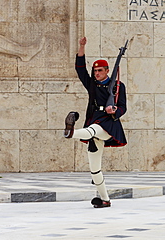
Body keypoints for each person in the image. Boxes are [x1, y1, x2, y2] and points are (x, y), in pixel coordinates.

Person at [64, 37, 127, 208]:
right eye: (95, 70)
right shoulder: (92, 84)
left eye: (100, 70)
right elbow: (80, 69)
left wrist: (114, 111)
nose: (97, 73)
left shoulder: (118, 86)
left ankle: (71, 132)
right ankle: (105, 199)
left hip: (109, 124)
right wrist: (81, 47)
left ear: (107, 71)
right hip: (94, 119)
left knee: (92, 130)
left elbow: (123, 108)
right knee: (94, 169)